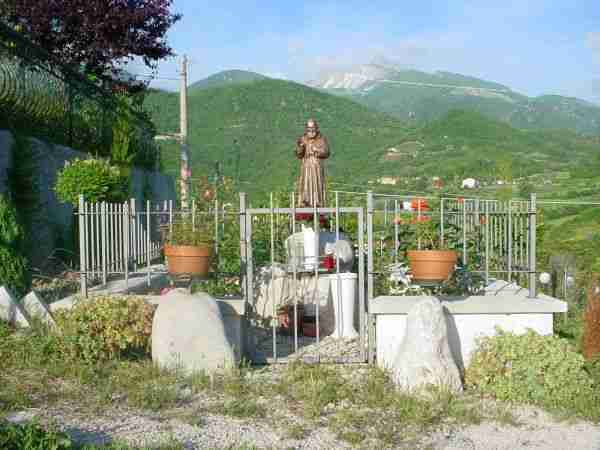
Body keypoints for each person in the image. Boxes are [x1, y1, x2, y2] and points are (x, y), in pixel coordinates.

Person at [295, 119, 330, 208]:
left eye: (313, 128)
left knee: (317, 184)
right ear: (306, 129)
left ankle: (318, 202)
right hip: (306, 165)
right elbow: (298, 154)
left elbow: (326, 152)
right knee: (305, 184)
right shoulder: (303, 139)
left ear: (316, 128)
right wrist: (301, 148)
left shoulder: (321, 139)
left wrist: (316, 150)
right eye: (309, 129)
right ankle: (305, 202)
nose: (311, 131)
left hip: (316, 166)